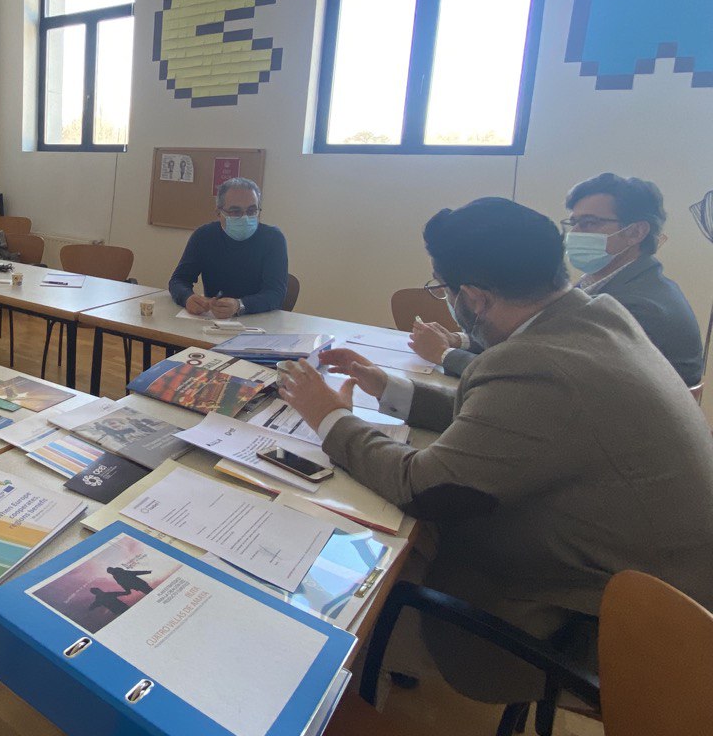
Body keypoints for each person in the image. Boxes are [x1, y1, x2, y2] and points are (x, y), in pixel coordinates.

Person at [276, 197, 713, 705]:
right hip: (645, 587)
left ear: (475, 298)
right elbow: (510, 416)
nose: (446, 301)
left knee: (367, 567)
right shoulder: (592, 315)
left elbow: (422, 488)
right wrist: (388, 387)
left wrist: (329, 417)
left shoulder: (538, 364)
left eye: (442, 289)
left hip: (605, 633)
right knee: (398, 539)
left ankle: (347, 688)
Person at [412, 174, 704, 386]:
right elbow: (532, 342)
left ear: (636, 232)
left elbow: (532, 377)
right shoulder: (604, 283)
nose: (575, 233)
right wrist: (460, 340)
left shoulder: (635, 307)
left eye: (588, 223)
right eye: (573, 222)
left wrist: (444, 354)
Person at [168, 177, 288, 319]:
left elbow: (276, 293)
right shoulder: (204, 236)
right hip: (214, 321)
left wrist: (240, 305)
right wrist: (187, 297)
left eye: (252, 210)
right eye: (235, 211)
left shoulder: (273, 238)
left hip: (260, 321)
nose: (245, 217)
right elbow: (178, 280)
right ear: (219, 213)